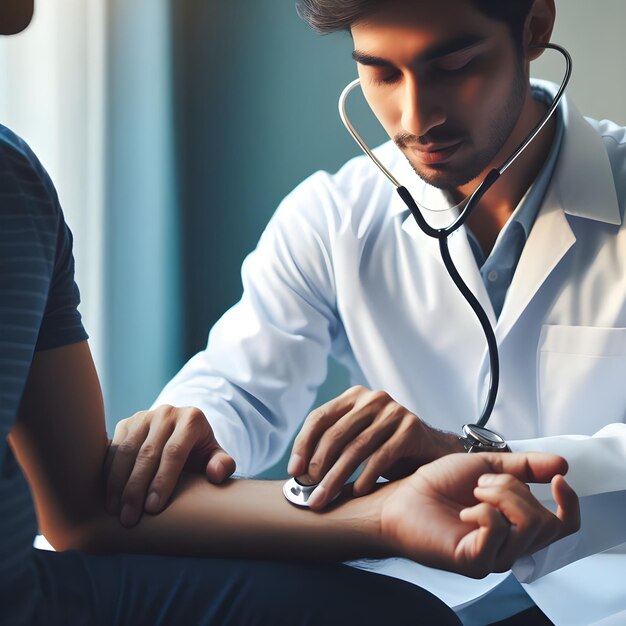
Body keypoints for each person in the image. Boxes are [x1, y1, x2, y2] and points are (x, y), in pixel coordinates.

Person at [0, 2, 581, 625]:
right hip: (414, 588)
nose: (417, 117)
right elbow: (239, 385)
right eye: (381, 73)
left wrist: (461, 452)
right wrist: (195, 426)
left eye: (457, 66)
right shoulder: (333, 217)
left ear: (535, 29)